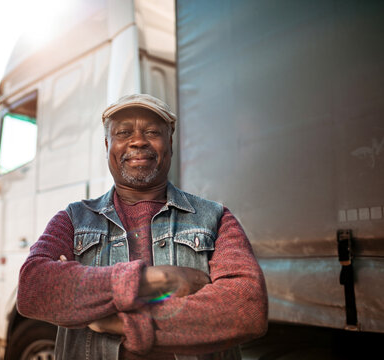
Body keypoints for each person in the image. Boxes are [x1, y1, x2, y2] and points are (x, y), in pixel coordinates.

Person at [17, 94, 268, 360]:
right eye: (124, 132)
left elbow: (247, 309)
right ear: (107, 145)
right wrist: (155, 280)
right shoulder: (73, 219)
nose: (138, 141)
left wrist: (126, 324)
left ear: (169, 143)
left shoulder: (215, 218)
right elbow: (33, 288)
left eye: (152, 132)